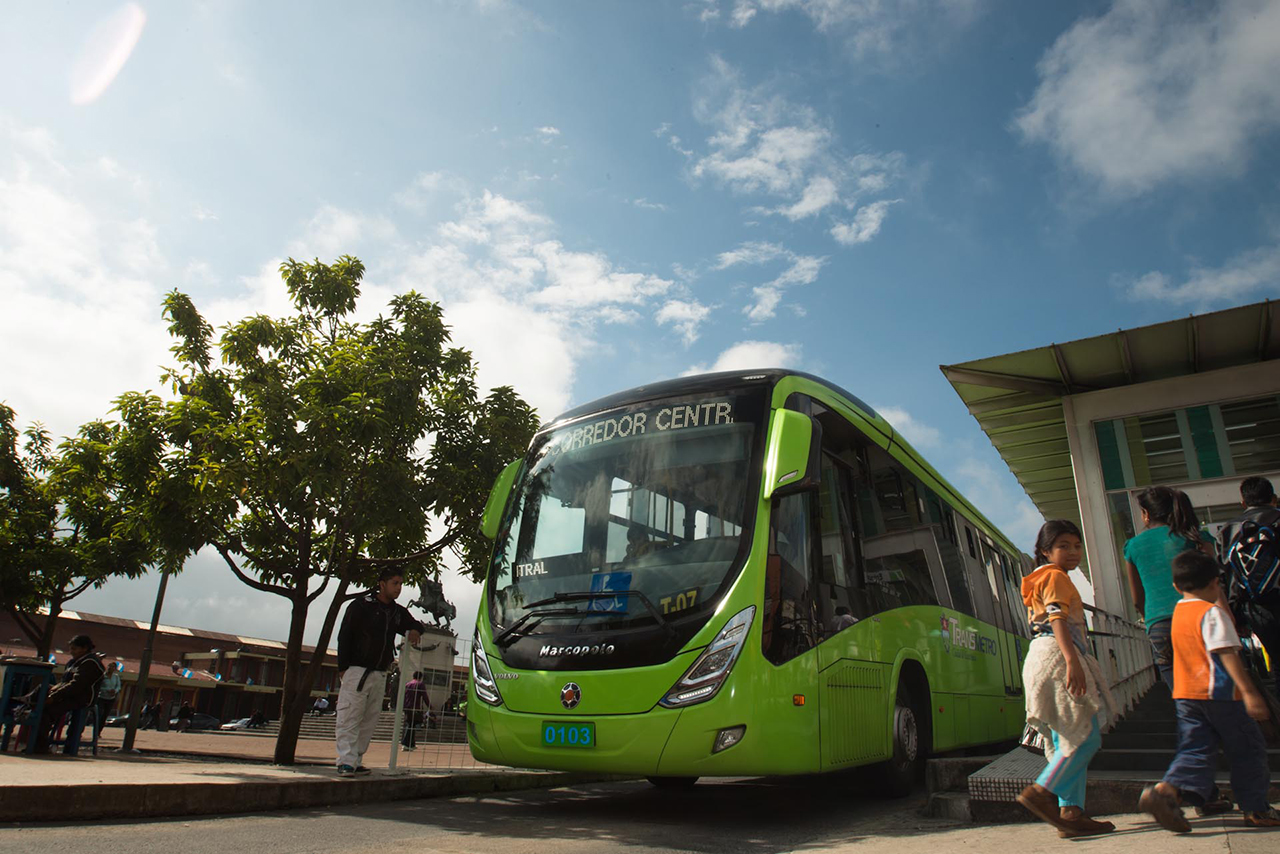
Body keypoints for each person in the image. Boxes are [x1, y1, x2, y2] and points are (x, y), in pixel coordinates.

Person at [1138, 550, 1280, 830]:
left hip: (1186, 695)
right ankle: (1256, 808)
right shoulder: (1212, 613)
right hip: (1221, 694)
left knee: (1196, 749)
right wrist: (1249, 692)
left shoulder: (1179, 613)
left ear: (1176, 586)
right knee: (1248, 750)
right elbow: (1226, 653)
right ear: (1216, 583)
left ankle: (1165, 791)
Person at [1017, 520, 1118, 838]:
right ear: (1046, 551)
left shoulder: (1040, 578)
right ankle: (1042, 791)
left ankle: (1070, 813)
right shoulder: (1056, 577)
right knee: (1085, 737)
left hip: (1040, 656)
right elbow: (1057, 618)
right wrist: (1073, 661)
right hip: (1059, 656)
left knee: (1065, 739)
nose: (1073, 552)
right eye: (1063, 546)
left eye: (1077, 545)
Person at [1124, 486, 1216, 692]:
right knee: (1213, 689)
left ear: (1146, 514)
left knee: (1183, 695)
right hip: (1199, 619)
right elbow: (1214, 584)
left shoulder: (1133, 546)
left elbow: (1137, 599)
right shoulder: (1195, 538)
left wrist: (1152, 619)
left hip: (1159, 625)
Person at [334, 568, 424, 777]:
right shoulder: (361, 606)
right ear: (382, 584)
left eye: (401, 584)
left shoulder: (396, 612)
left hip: (379, 671)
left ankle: (356, 759)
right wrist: (343, 667)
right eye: (394, 583)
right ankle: (345, 761)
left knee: (369, 719)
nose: (398, 588)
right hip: (357, 669)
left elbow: (413, 624)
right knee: (350, 716)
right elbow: (344, 635)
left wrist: (416, 631)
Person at [1218, 476, 1280, 687]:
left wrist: (1236, 617)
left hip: (1256, 608)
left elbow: (1226, 578)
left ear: (1243, 503)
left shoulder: (1228, 531)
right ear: (1274, 499)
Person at [32, 635, 105, 754]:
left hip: (80, 698)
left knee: (46, 711)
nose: (71, 652)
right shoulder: (73, 662)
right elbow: (64, 682)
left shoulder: (90, 663)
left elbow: (77, 686)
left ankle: (40, 746)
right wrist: (54, 690)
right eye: (71, 649)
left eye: (74, 649)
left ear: (85, 648)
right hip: (68, 694)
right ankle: (26, 703)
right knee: (42, 689)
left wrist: (54, 696)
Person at [401, 671, 429, 751]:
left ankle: (411, 744)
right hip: (415, 707)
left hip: (407, 706)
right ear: (420, 677)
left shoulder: (408, 684)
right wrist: (429, 706)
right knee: (411, 725)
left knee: (410, 724)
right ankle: (405, 743)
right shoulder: (420, 684)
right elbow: (425, 696)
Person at [95, 660, 122, 737]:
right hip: (101, 697)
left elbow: (118, 686)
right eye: (109, 666)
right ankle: (95, 729)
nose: (111, 668)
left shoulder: (116, 677)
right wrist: (106, 690)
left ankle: (98, 732)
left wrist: (115, 691)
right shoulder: (103, 676)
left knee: (104, 716)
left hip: (111, 699)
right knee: (99, 714)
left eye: (113, 667)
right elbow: (98, 686)